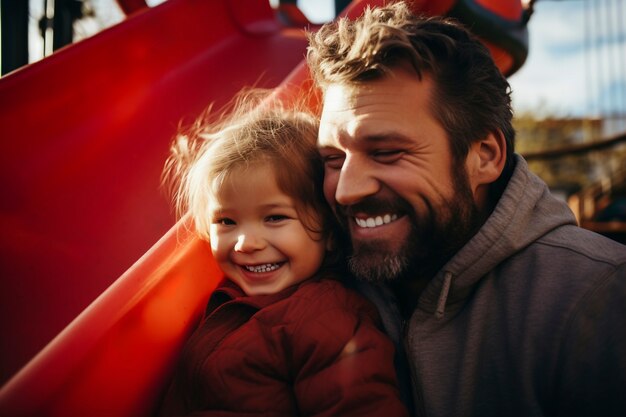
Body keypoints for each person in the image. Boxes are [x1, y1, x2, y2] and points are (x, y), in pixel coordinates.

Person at [306, 2, 626, 416]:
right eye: (333, 160)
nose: (347, 191)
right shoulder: (306, 281)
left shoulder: (597, 297)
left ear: (486, 156)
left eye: (386, 153)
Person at [156, 93, 409, 416]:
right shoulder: (237, 300)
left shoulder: (326, 319)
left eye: (275, 218)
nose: (246, 243)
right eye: (226, 221)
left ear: (330, 233)